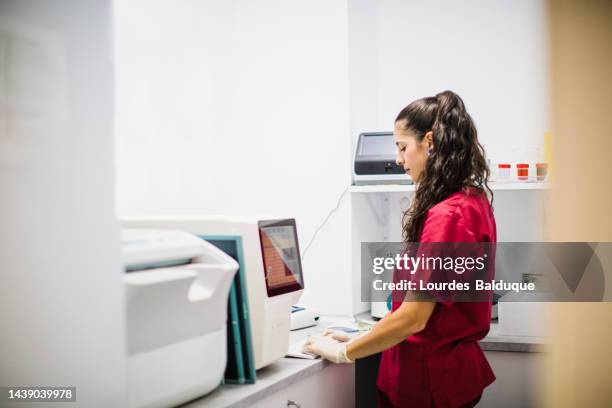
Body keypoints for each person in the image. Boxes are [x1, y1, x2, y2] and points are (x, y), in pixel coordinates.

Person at [304, 91, 496, 407]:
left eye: (402, 147)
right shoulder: (470, 200)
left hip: (428, 380)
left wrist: (345, 351)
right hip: (439, 373)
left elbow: (415, 318)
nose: (398, 158)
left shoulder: (449, 215)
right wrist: (361, 338)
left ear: (430, 142)